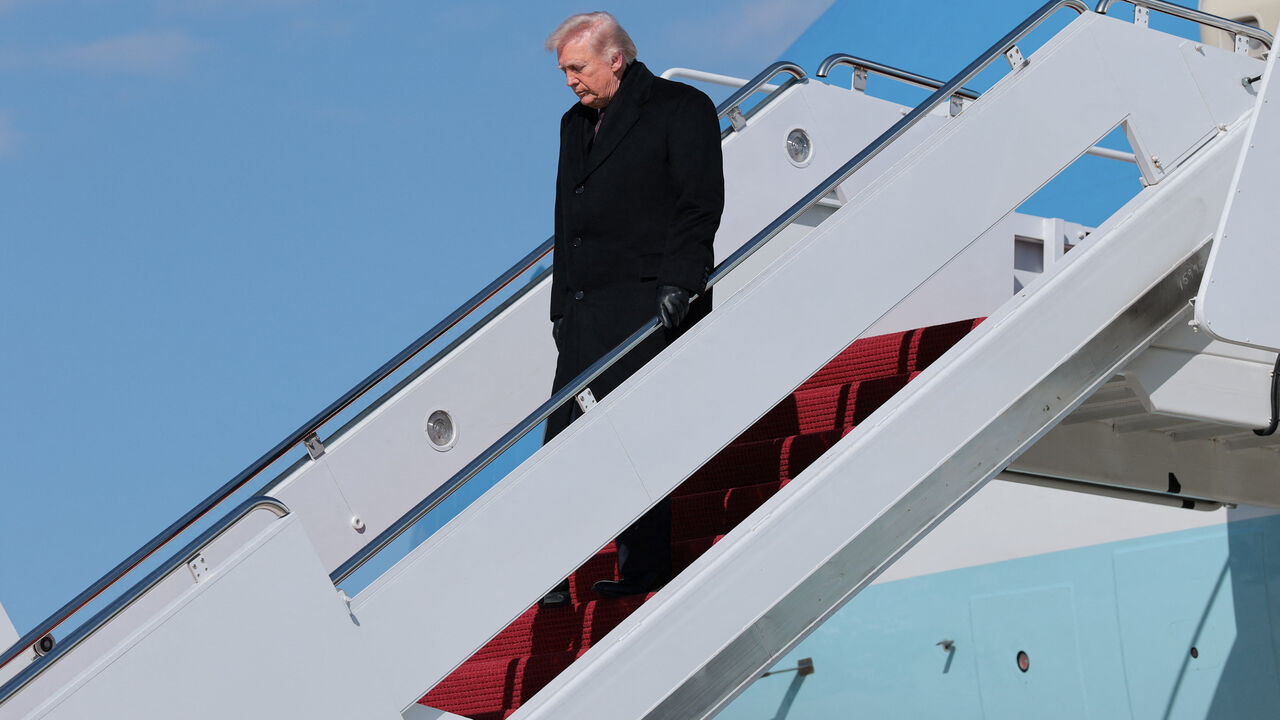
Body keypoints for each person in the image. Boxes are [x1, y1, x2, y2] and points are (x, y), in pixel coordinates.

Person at [539, 12, 724, 607]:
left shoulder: (681, 107)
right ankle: (547, 576)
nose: (569, 80)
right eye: (565, 69)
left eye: (577, 67)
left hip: (652, 302)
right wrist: (560, 304)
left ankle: (642, 569)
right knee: (561, 442)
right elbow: (566, 220)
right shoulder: (574, 124)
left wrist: (681, 281)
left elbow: (699, 203)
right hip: (586, 309)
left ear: (615, 58)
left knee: (637, 437)